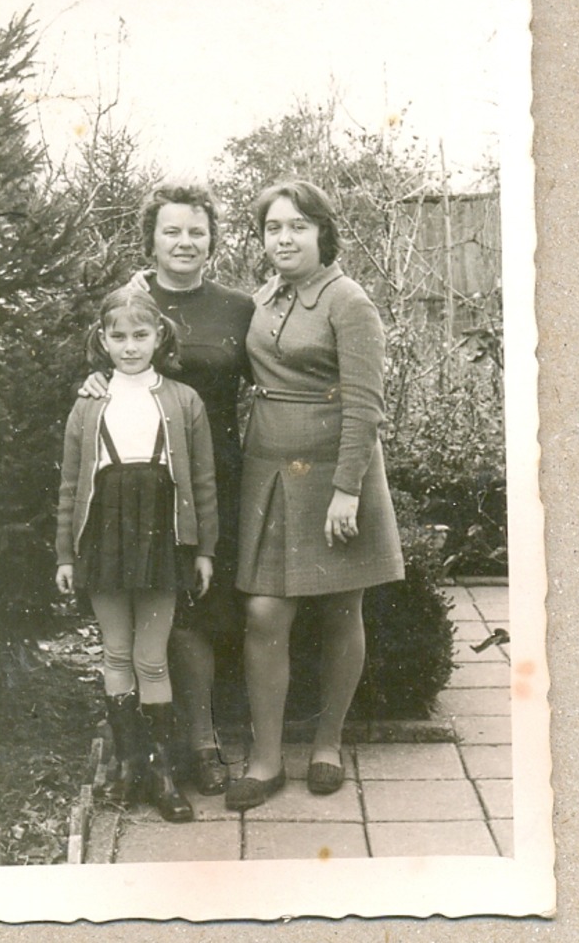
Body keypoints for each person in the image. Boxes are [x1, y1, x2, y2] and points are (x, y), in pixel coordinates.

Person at [225, 179, 405, 812]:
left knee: (340, 610)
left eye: (297, 227)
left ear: (322, 232)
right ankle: (268, 758)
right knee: (265, 614)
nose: (284, 238)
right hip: (269, 470)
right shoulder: (265, 299)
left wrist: (346, 491)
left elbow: (366, 404)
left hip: (335, 474)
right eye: (273, 228)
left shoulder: (348, 301)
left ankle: (328, 743)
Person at [81, 184, 254, 795]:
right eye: (172, 231)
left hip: (219, 473)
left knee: (203, 608)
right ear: (151, 238)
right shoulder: (132, 303)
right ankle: (160, 751)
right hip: (143, 482)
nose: (186, 242)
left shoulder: (238, 307)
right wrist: (93, 386)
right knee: (156, 616)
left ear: (213, 239)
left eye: (197, 231)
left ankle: (203, 742)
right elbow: (104, 363)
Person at [56, 286, 218, 823]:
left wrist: (205, 550)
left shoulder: (182, 399)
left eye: (140, 335)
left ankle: (162, 771)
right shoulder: (88, 402)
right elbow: (70, 486)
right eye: (118, 337)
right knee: (116, 653)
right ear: (102, 340)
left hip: (161, 535)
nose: (129, 347)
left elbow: (202, 481)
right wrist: (65, 555)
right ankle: (129, 765)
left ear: (159, 338)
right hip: (104, 533)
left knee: (152, 656)